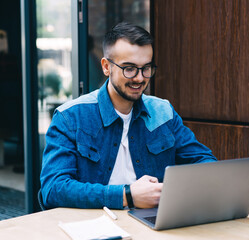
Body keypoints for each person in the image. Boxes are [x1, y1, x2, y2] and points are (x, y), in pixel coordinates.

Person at [40, 22, 217, 210]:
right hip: (96, 226)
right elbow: (53, 189)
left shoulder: (163, 112)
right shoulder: (70, 118)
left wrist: (174, 192)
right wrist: (127, 195)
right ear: (106, 67)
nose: (140, 78)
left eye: (146, 68)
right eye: (129, 68)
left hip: (153, 222)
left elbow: (204, 162)